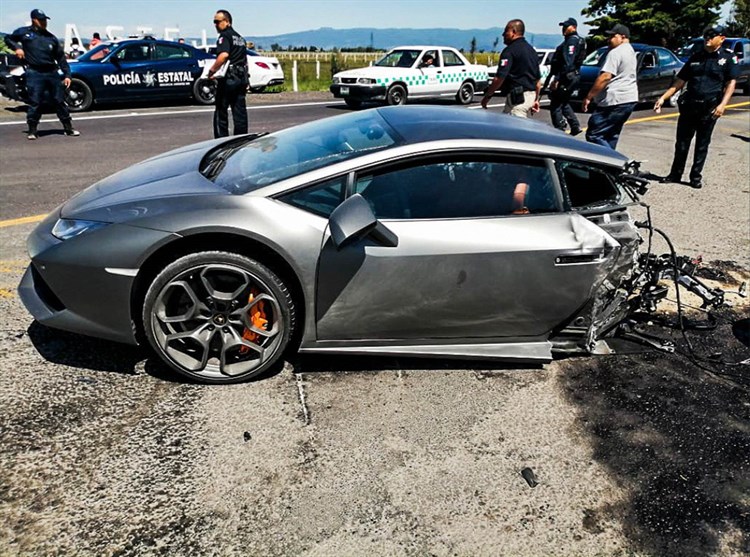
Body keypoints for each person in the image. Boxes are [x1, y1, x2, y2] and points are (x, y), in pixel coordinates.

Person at [654, 25, 738, 189]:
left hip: (710, 107)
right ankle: (675, 174)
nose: (708, 38)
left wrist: (723, 105)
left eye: (712, 35)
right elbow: (680, 80)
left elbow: (730, 83)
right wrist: (664, 97)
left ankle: (695, 177)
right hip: (690, 105)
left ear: (721, 38)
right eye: (706, 35)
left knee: (702, 144)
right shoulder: (696, 57)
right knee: (682, 143)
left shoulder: (728, 58)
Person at [4, 8, 80, 140]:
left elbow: (61, 58)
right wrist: (17, 47)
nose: (44, 22)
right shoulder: (24, 33)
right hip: (35, 72)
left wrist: (67, 75)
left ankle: (68, 127)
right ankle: (32, 130)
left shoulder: (51, 38)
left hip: (51, 72)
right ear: (34, 20)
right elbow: (8, 39)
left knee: (59, 100)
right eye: (41, 20)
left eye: (45, 20)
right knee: (35, 102)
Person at [582, 23, 638, 150]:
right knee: (612, 134)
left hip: (613, 101)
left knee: (594, 134)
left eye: (612, 36)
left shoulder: (616, 52)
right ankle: (608, 167)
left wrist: (589, 97)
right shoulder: (630, 51)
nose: (609, 39)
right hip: (629, 99)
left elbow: (605, 76)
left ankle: (616, 160)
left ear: (622, 37)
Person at [481, 19, 541, 118]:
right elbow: (538, 81)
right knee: (505, 126)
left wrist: (487, 96)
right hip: (530, 96)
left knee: (515, 128)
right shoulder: (532, 51)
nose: (503, 35)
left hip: (517, 99)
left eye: (506, 31)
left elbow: (500, 77)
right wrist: (536, 100)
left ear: (513, 32)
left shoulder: (509, 51)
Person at [206, 9, 249, 138]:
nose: (215, 25)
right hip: (241, 77)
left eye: (217, 22)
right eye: (214, 22)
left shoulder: (224, 36)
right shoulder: (240, 38)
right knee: (239, 111)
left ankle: (221, 141)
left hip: (229, 78)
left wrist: (212, 71)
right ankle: (241, 139)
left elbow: (223, 55)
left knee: (221, 110)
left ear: (227, 21)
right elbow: (244, 60)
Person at [547, 17, 586, 135]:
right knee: (563, 101)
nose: (563, 29)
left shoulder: (572, 41)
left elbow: (568, 62)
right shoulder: (577, 40)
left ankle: (559, 129)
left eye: (566, 26)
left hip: (567, 76)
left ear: (574, 27)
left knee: (555, 104)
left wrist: (558, 79)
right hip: (572, 75)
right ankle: (575, 126)